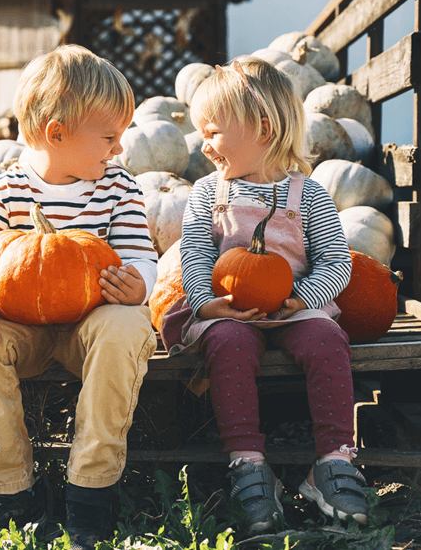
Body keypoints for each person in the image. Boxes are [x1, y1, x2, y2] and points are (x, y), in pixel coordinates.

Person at [0, 44, 158, 550]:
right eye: (109, 136)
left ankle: (92, 488)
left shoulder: (119, 189)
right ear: (56, 133)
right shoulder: (7, 190)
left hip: (91, 328)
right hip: (23, 327)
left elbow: (142, 255)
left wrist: (140, 283)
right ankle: (10, 491)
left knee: (128, 324)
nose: (119, 149)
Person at [160, 57, 369, 534]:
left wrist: (306, 297)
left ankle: (334, 460)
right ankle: (248, 463)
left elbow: (337, 261)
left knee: (327, 341)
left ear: (263, 127)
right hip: (230, 310)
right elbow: (192, 255)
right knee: (227, 345)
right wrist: (203, 300)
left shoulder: (308, 194)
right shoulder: (206, 194)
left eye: (212, 132)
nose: (205, 145)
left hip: (295, 308)